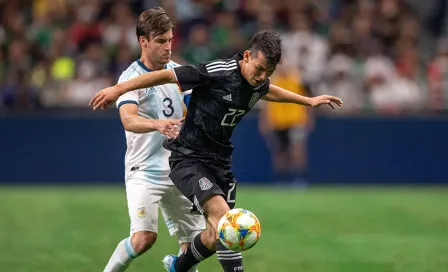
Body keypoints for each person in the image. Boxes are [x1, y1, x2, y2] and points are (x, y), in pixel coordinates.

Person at [90, 30, 342, 272]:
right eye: (259, 69)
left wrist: (307, 100)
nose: (262, 76)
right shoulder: (216, 72)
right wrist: (119, 89)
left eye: (269, 72)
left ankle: (178, 266)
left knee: (213, 236)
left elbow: (268, 91)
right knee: (228, 222)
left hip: (219, 163)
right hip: (188, 159)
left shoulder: (258, 81)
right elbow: (167, 76)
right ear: (246, 56)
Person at [102, 7, 205, 272]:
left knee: (193, 242)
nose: (168, 47)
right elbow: (129, 120)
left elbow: (193, 111)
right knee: (143, 239)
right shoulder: (130, 78)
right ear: (143, 42)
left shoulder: (179, 73)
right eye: (161, 41)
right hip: (145, 169)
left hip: (180, 168)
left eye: (170, 40)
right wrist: (157, 124)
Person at [259, 64, 313, 185]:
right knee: (279, 153)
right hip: (278, 123)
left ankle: (299, 179)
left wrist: (309, 118)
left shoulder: (297, 79)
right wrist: (264, 122)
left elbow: (307, 98)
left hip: (295, 121)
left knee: (297, 151)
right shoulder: (273, 81)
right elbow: (266, 104)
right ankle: (281, 180)